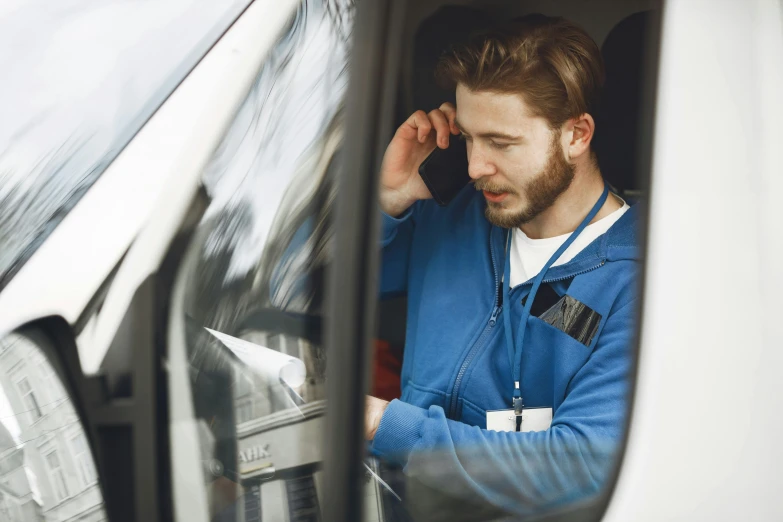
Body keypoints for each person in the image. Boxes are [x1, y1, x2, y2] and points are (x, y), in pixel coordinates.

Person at [364, 15, 641, 518]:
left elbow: (580, 468)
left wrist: (386, 427)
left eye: (501, 143)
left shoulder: (637, 280)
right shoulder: (451, 213)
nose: (474, 167)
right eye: (468, 137)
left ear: (576, 134)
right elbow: (304, 294)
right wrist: (389, 201)